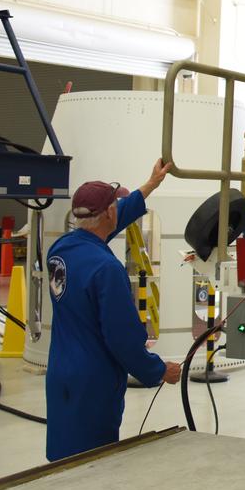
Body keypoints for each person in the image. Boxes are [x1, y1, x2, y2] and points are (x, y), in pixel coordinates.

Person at [45, 159, 181, 461]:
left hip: (61, 373)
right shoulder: (107, 269)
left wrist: (151, 185)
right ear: (109, 212)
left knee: (62, 457)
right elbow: (123, 339)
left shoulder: (60, 251)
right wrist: (159, 370)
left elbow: (99, 229)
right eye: (115, 205)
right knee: (93, 461)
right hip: (94, 381)